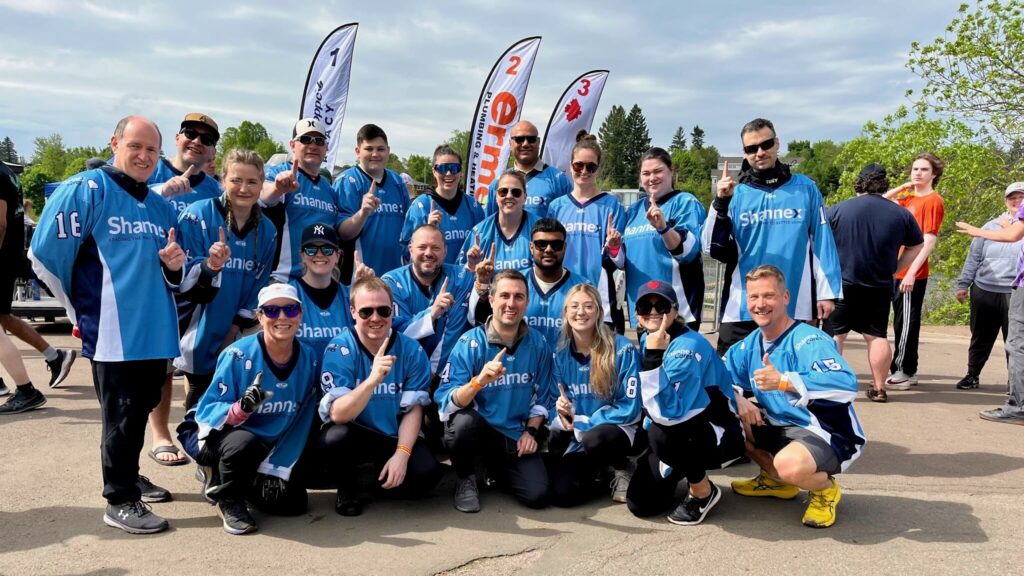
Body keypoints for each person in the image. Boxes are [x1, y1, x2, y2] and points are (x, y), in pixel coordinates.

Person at [29, 116, 208, 533]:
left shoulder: (161, 206)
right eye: (136, 146)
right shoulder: (86, 189)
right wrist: (80, 312)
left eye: (152, 150)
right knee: (121, 417)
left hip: (156, 330)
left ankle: (128, 475)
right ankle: (120, 499)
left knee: (140, 409)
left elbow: (174, 275)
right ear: (115, 143)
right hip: (113, 332)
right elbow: (43, 257)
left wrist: (175, 269)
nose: (144, 156)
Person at [725, 265, 865, 528]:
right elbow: (718, 377)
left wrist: (785, 381)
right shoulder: (747, 344)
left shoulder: (809, 340)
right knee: (727, 419)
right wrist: (738, 397)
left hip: (822, 431)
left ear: (786, 297)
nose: (760, 304)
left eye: (769, 296)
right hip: (779, 424)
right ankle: (776, 480)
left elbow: (847, 384)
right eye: (754, 297)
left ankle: (824, 490)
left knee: (789, 466)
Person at [704, 118, 842, 354]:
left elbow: (823, 242)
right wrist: (720, 202)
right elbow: (710, 247)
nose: (760, 152)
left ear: (777, 144)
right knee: (731, 383)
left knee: (793, 380)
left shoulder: (805, 188)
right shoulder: (734, 194)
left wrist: (827, 293)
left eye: (766, 144)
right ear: (744, 152)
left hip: (795, 304)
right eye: (751, 148)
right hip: (742, 306)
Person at [195, 283, 320, 534]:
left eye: (290, 310)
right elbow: (206, 409)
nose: (282, 317)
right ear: (259, 316)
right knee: (244, 444)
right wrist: (240, 408)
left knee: (293, 504)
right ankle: (227, 496)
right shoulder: (238, 354)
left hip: (274, 438)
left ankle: (247, 480)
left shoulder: (309, 355)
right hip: (229, 436)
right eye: (272, 311)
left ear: (300, 314)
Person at [318, 277, 444, 516]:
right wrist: (373, 380)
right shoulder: (339, 349)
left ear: (392, 310)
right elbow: (338, 414)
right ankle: (348, 488)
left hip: (392, 435)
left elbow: (414, 409)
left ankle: (376, 479)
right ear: (353, 311)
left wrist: (402, 454)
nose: (375, 318)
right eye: (366, 311)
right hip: (354, 432)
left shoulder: (411, 349)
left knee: (427, 475)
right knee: (334, 438)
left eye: (383, 310)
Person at [624, 281, 743, 524]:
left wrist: (654, 358)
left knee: (660, 432)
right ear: (637, 314)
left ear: (675, 311)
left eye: (662, 306)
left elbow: (669, 413)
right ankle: (680, 466)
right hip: (681, 430)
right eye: (646, 306)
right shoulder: (651, 338)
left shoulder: (686, 347)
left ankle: (702, 492)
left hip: (716, 433)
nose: (654, 312)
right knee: (641, 503)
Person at [436, 269, 555, 512]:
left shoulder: (538, 343)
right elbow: (446, 404)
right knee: (461, 425)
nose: (511, 304)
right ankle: (466, 478)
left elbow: (544, 397)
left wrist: (531, 432)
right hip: (479, 431)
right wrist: (478, 382)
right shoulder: (469, 343)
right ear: (491, 300)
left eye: (519, 297)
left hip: (515, 434)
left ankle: (497, 468)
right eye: (504, 296)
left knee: (538, 495)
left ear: (527, 302)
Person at [175, 149, 277, 410]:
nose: (244, 188)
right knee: (199, 397)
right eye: (236, 180)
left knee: (230, 399)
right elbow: (182, 281)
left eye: (252, 181)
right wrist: (210, 266)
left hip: (236, 329)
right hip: (196, 326)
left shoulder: (267, 230)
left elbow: (259, 282)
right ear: (223, 180)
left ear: (262, 183)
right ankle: (194, 448)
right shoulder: (197, 215)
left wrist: (233, 329)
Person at [826, 164, 923, 402]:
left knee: (836, 335)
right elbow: (917, 246)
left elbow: (819, 242)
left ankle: (832, 386)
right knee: (876, 336)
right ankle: (879, 387)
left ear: (858, 183)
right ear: (884, 184)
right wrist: (896, 269)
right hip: (879, 284)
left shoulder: (838, 210)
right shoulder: (900, 214)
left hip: (842, 282)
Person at [548, 284, 641, 507]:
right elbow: (553, 400)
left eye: (589, 306)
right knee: (563, 495)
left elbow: (630, 407)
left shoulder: (622, 349)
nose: (581, 312)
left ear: (599, 312)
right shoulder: (560, 356)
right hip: (580, 434)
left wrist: (585, 421)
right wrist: (561, 411)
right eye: (575, 306)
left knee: (595, 439)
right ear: (566, 313)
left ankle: (622, 466)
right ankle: (600, 471)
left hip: (617, 431)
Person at [0, 161, 76, 415]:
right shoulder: (7, 172)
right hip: (10, 256)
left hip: (3, 257)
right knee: (5, 319)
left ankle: (26, 390)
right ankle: (54, 356)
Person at [956, 192, 1024, 425]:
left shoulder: (1013, 226)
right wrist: (963, 283)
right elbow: (975, 256)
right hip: (986, 288)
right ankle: (973, 374)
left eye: (1021, 198)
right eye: (1012, 198)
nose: (1016, 202)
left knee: (1015, 343)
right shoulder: (995, 223)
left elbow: (1014, 236)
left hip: (1014, 289)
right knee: (982, 335)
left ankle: (1016, 396)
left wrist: (977, 230)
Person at [547, 131, 626, 331]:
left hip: (599, 294)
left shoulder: (611, 205)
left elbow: (620, 261)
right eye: (578, 165)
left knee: (601, 358)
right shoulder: (557, 206)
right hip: (564, 291)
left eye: (591, 166)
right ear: (570, 165)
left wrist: (615, 247)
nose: (584, 171)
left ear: (598, 169)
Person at [623, 148, 706, 332]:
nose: (652, 178)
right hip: (644, 311)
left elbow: (688, 252)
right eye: (646, 173)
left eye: (658, 171)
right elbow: (620, 258)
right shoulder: (633, 211)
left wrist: (663, 228)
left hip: (676, 312)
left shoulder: (685, 202)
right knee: (650, 361)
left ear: (671, 171)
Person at [469, 218, 586, 347]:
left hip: (565, 365)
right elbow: (479, 319)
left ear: (564, 247)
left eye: (556, 245)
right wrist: (483, 283)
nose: (548, 249)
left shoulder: (582, 287)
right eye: (541, 244)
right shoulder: (514, 283)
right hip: (523, 364)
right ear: (531, 247)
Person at [882, 152, 946, 390]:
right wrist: (903, 187)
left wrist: (910, 273)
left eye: (924, 170)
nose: (918, 173)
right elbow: (880, 201)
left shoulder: (933, 200)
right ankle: (905, 368)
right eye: (915, 169)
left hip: (912, 273)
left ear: (934, 174)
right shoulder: (908, 198)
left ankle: (905, 370)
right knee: (898, 321)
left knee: (907, 323)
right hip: (896, 270)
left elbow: (929, 241)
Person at [261, 118, 345, 282]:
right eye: (305, 139)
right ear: (292, 145)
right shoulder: (279, 172)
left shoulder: (329, 189)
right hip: (283, 279)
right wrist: (278, 189)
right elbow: (264, 195)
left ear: (326, 148)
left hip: (319, 281)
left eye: (319, 141)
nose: (313, 146)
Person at [383, 224, 474, 374]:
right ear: (411, 250)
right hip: (403, 372)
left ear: (445, 251)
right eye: (422, 247)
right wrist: (432, 313)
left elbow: (452, 332)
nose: (428, 253)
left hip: (448, 374)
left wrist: (435, 373)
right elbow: (398, 335)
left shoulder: (460, 277)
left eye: (435, 248)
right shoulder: (391, 282)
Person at [336, 124, 411, 275]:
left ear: (388, 151)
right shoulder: (347, 181)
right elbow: (342, 233)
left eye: (380, 149)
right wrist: (363, 213)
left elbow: (407, 229)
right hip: (359, 274)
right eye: (369, 149)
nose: (375, 154)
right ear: (358, 151)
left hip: (395, 274)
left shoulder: (397, 182)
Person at [287, 223, 369, 358]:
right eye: (311, 249)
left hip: (343, 376)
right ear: (302, 255)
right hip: (302, 376)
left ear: (337, 255)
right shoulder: (289, 294)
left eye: (327, 250)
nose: (319, 255)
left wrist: (368, 292)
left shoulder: (349, 295)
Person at [400, 145, 484, 264]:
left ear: (461, 171)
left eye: (454, 168)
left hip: (466, 279)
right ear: (434, 171)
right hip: (432, 278)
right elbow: (407, 253)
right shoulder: (420, 206)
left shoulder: (473, 206)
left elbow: (484, 243)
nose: (449, 174)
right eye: (443, 169)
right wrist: (427, 230)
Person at [484, 121, 571, 218]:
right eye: (519, 139)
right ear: (510, 143)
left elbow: (568, 220)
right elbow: (489, 225)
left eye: (531, 139)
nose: (525, 144)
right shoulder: (498, 183)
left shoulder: (559, 180)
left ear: (538, 142)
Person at [458, 170, 539, 273]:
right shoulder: (479, 232)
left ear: (525, 197)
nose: (509, 196)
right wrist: (471, 267)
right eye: (503, 192)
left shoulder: (539, 229)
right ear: (496, 196)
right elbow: (462, 277)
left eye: (516, 192)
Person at [149, 113, 223, 214]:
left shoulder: (218, 192)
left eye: (207, 139)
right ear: (177, 138)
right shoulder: (148, 173)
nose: (197, 141)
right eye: (190, 133)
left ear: (213, 152)